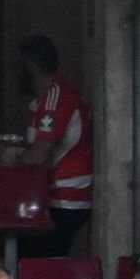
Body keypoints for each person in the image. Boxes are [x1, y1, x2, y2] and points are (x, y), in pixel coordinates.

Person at [15, 35, 94, 254]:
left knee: (35, 260)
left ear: (30, 66)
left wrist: (12, 158)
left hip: (65, 200)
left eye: (18, 65)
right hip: (46, 197)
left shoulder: (57, 97)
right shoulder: (39, 102)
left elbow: (38, 157)